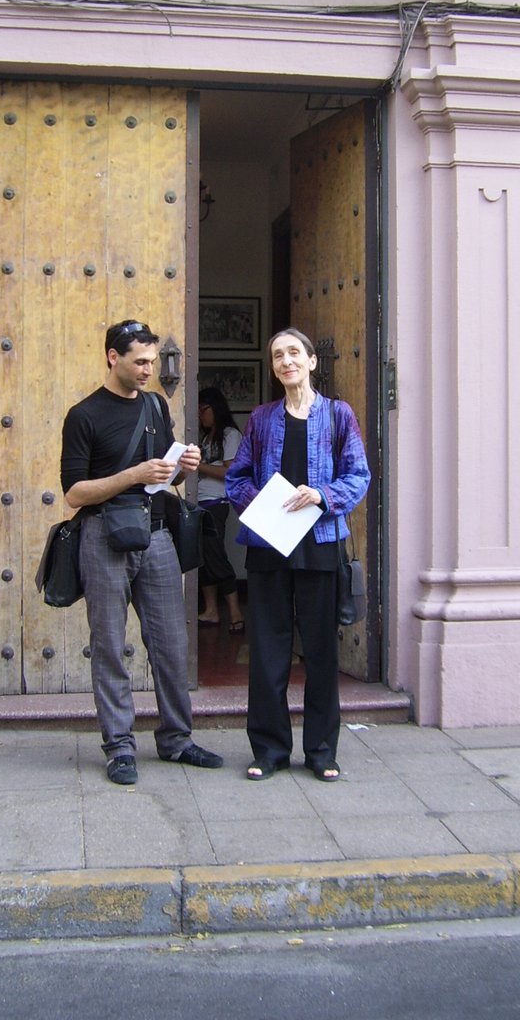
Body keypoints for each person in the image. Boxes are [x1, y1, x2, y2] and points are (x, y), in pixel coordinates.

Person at [60, 319, 223, 785]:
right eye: (140, 362)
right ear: (113, 357)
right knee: (110, 646)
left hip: (156, 535)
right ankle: (119, 748)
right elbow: (74, 493)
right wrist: (132, 474)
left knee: (171, 643)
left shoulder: (155, 404)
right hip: (103, 537)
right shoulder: (84, 415)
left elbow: (162, 478)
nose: (149, 370)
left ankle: (177, 740)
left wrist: (184, 468)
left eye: (152, 361)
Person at [225, 328, 370, 783]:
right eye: (277, 356)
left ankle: (322, 751)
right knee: (268, 652)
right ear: (273, 368)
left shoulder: (338, 415)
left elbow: (359, 475)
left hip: (320, 545)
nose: (285, 361)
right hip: (269, 546)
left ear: (311, 361)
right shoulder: (262, 418)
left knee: (322, 653)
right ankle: (269, 750)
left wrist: (322, 495)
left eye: (293, 353)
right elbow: (236, 478)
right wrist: (263, 504)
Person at [196, 386, 246, 633]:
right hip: (200, 504)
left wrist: (198, 466)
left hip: (216, 504)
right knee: (202, 559)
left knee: (216, 557)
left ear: (215, 408)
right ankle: (211, 611)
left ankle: (236, 614)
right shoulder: (207, 437)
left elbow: (230, 472)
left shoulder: (229, 435)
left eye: (203, 409)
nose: (200, 414)